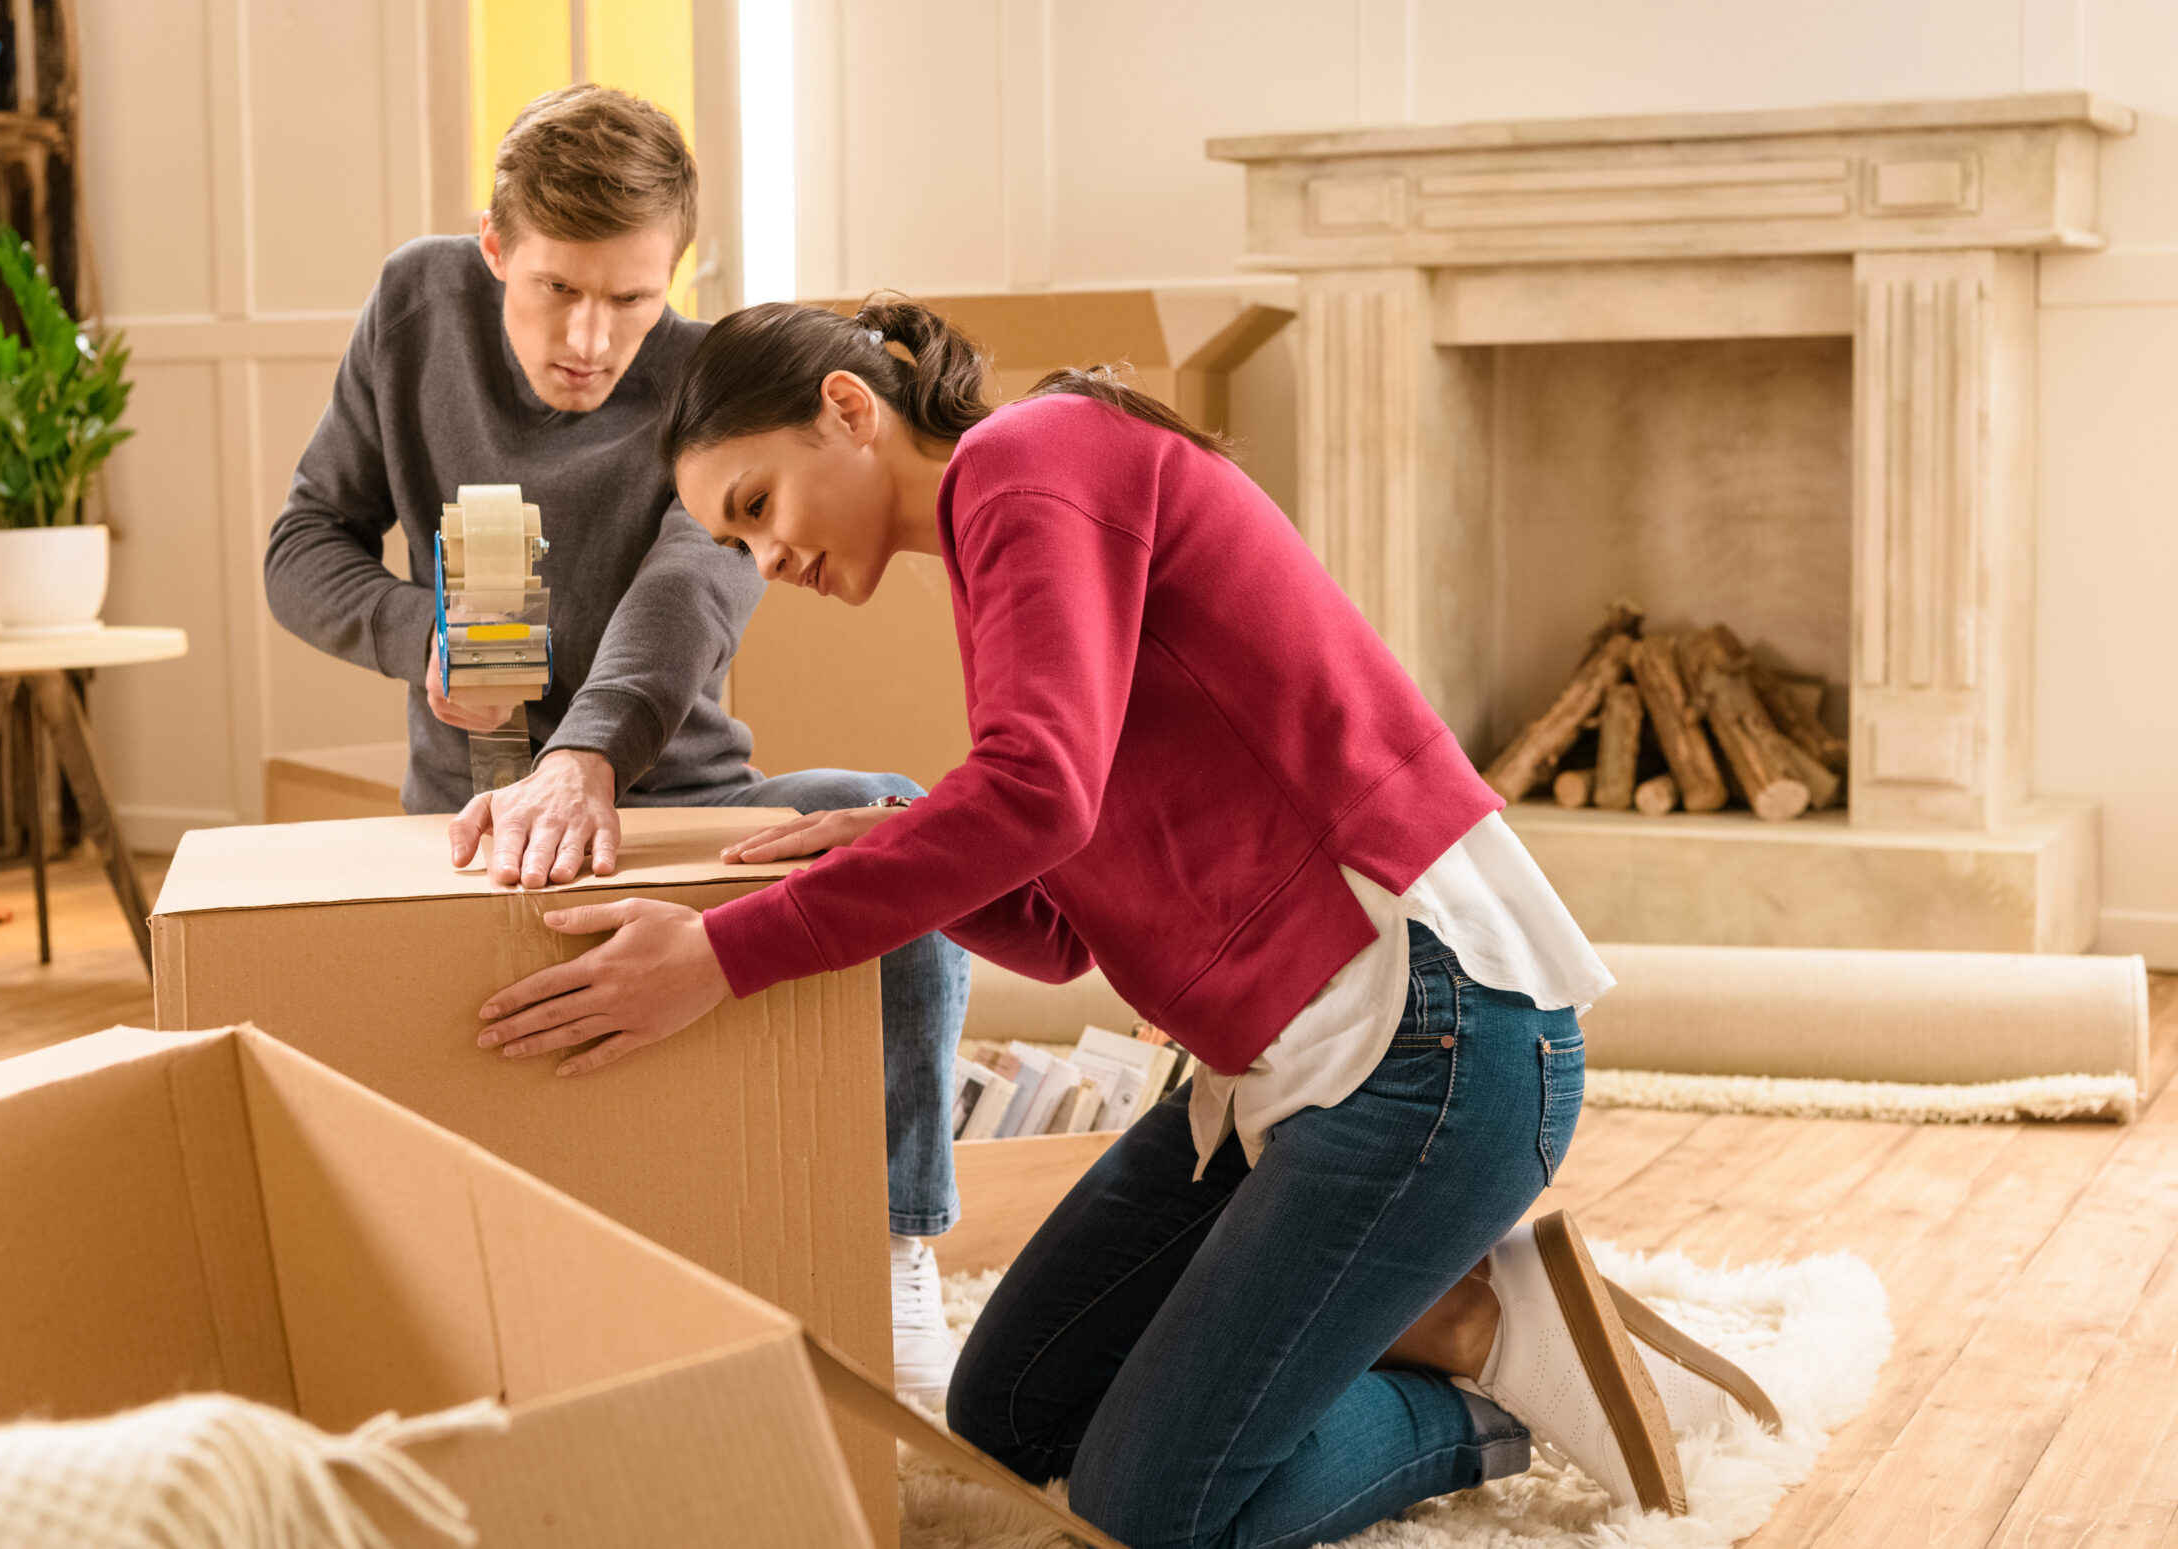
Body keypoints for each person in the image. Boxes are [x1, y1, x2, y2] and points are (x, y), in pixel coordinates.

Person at [472, 296, 1779, 1545]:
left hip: (1430, 1046)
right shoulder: (999, 541)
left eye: (758, 507)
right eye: (736, 542)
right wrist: (898, 844)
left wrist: (719, 952)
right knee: (1010, 1407)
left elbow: (1035, 795)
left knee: (1154, 1514)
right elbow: (1064, 930)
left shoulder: (1032, 462)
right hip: (1278, 1070)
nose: (769, 560)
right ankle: (1419, 1305)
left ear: (848, 410)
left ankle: (1485, 1384)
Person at [261, 89, 973, 1404]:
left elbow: (689, 592)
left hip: (677, 800)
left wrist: (585, 755)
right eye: (558, 291)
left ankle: (896, 1246)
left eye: (633, 301)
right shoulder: (414, 309)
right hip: (466, 826)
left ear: (677, 277)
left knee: (897, 817)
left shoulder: (709, 381)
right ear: (492, 245)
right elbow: (301, 548)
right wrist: (417, 631)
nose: (591, 340)